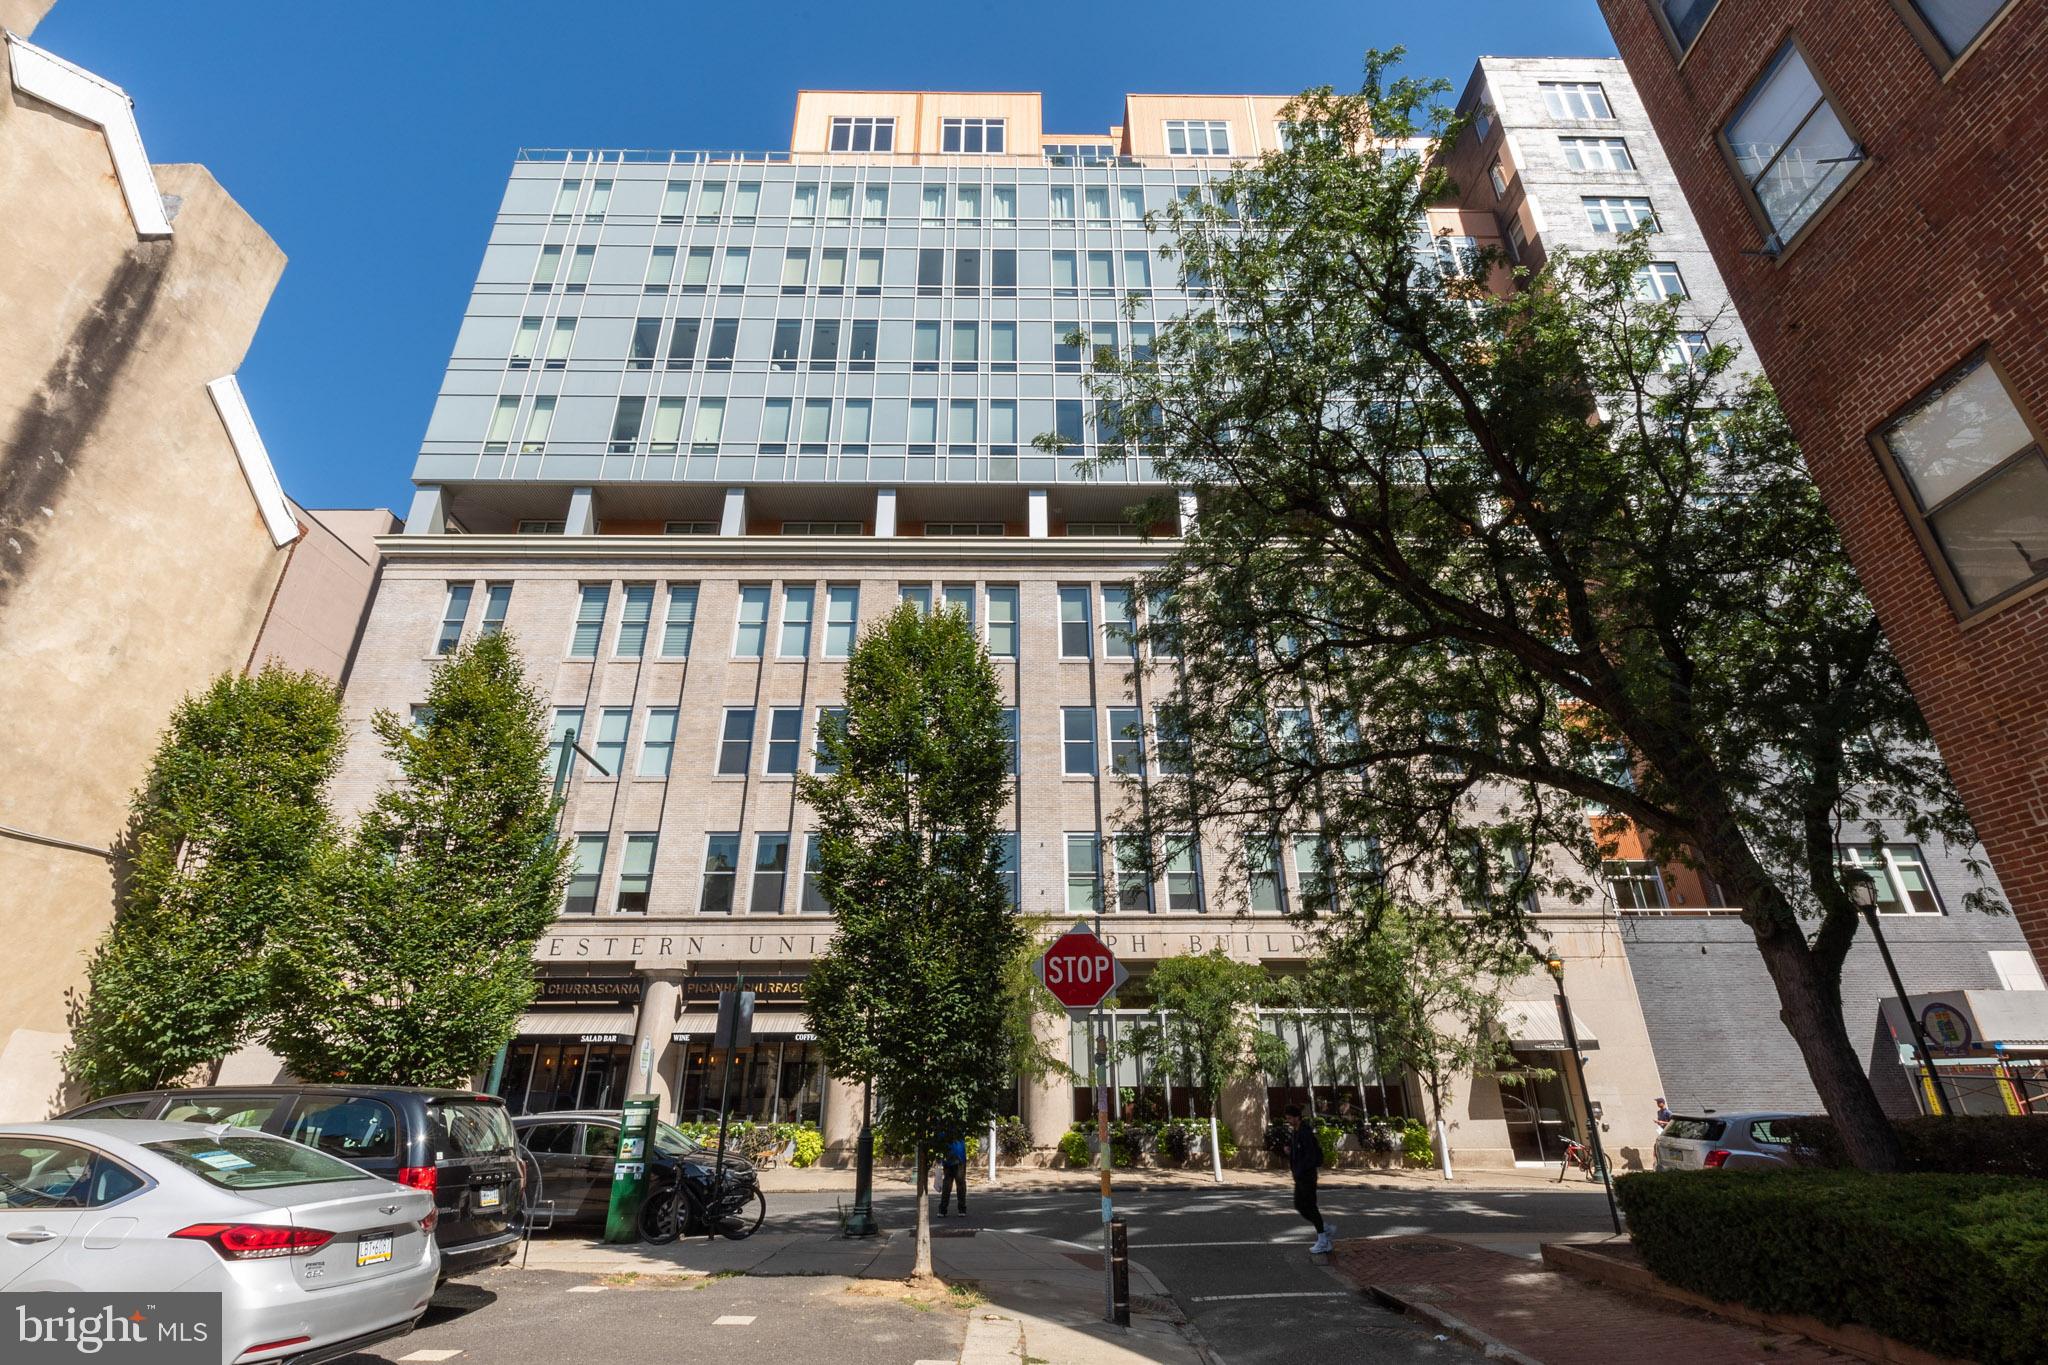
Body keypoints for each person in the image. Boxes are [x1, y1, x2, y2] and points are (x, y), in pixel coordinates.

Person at [1286, 1105, 1334, 1255]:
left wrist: (1300, 1169)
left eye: (1289, 1118)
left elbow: (1310, 1156)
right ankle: (1324, 1228)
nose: (1288, 1121)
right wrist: (1289, 1152)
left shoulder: (1305, 1133)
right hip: (1300, 1175)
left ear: (1296, 1117)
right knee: (1299, 1205)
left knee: (1311, 1206)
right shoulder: (1296, 1132)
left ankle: (1323, 1240)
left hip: (1307, 1175)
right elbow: (1299, 1153)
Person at [937, 1132, 968, 1217]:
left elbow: (939, 1142)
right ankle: (961, 1209)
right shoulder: (958, 1126)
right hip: (957, 1158)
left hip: (952, 1159)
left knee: (949, 1185)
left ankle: (943, 1210)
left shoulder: (942, 1127)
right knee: (958, 1185)